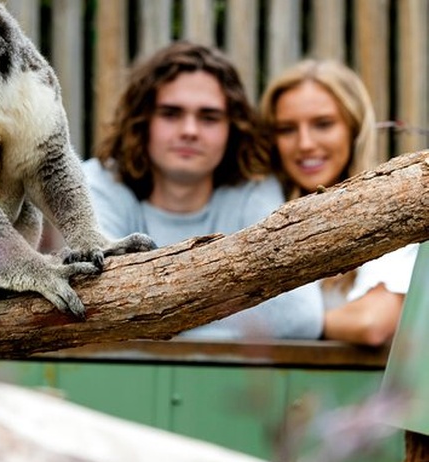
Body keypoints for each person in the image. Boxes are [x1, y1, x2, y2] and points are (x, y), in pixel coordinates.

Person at [84, 41, 323, 340]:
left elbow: (300, 316)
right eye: (171, 113)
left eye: (208, 117)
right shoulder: (100, 181)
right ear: (143, 121)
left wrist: (153, 323)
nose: (190, 130)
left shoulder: (253, 190)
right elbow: (98, 303)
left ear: (231, 128)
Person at [259, 59, 417, 346]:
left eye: (323, 124)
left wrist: (281, 323)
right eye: (287, 129)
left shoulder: (392, 208)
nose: (305, 143)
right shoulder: (258, 212)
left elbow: (371, 323)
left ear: (354, 128)